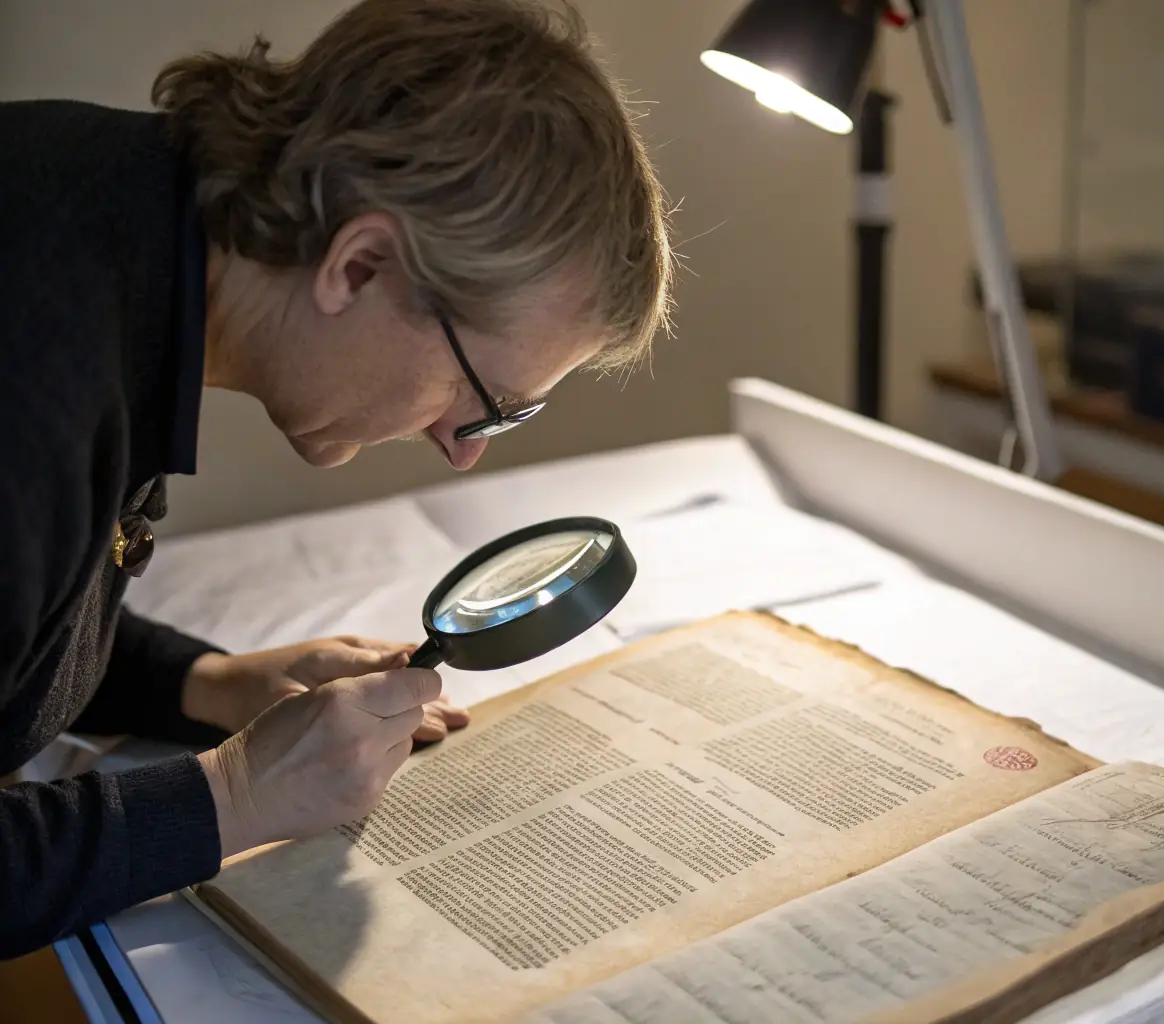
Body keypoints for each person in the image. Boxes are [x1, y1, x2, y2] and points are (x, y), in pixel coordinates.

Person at [0, 0, 673, 958]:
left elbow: (34, 609)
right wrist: (229, 795)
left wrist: (209, 683)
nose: (463, 445)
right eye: (480, 395)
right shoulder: (31, 376)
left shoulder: (108, 211)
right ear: (357, 267)